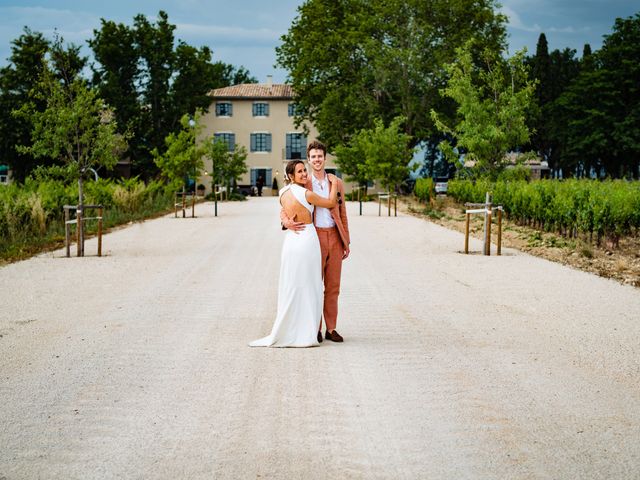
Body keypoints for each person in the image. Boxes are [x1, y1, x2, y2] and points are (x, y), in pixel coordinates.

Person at [250, 160, 338, 347]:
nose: (304, 174)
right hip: (306, 238)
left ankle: (293, 325)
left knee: (292, 283)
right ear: (291, 175)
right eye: (300, 171)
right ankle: (307, 329)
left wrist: (286, 221)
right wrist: (335, 182)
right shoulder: (306, 193)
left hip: (291, 240)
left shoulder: (282, 193)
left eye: (304, 170)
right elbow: (330, 202)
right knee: (309, 284)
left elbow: (283, 212)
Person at [280, 140, 350, 343]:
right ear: (309, 160)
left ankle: (332, 328)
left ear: (325, 158)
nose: (317, 159)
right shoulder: (303, 183)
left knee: (333, 286)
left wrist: (346, 241)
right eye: (313, 157)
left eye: (320, 156)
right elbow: (285, 207)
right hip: (315, 238)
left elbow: (342, 212)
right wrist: (286, 222)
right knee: (313, 285)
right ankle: (315, 328)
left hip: (335, 237)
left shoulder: (336, 183)